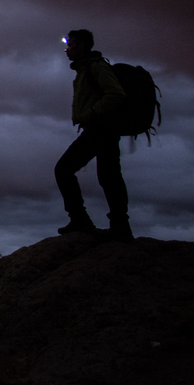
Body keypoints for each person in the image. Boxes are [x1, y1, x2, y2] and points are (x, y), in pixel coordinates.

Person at [55, 29, 133, 241]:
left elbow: (116, 93)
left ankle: (119, 226)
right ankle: (83, 220)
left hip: (103, 129)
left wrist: (91, 113)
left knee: (108, 176)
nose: (67, 50)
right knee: (68, 170)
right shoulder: (85, 69)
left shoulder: (96, 67)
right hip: (94, 129)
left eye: (70, 45)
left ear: (82, 46)